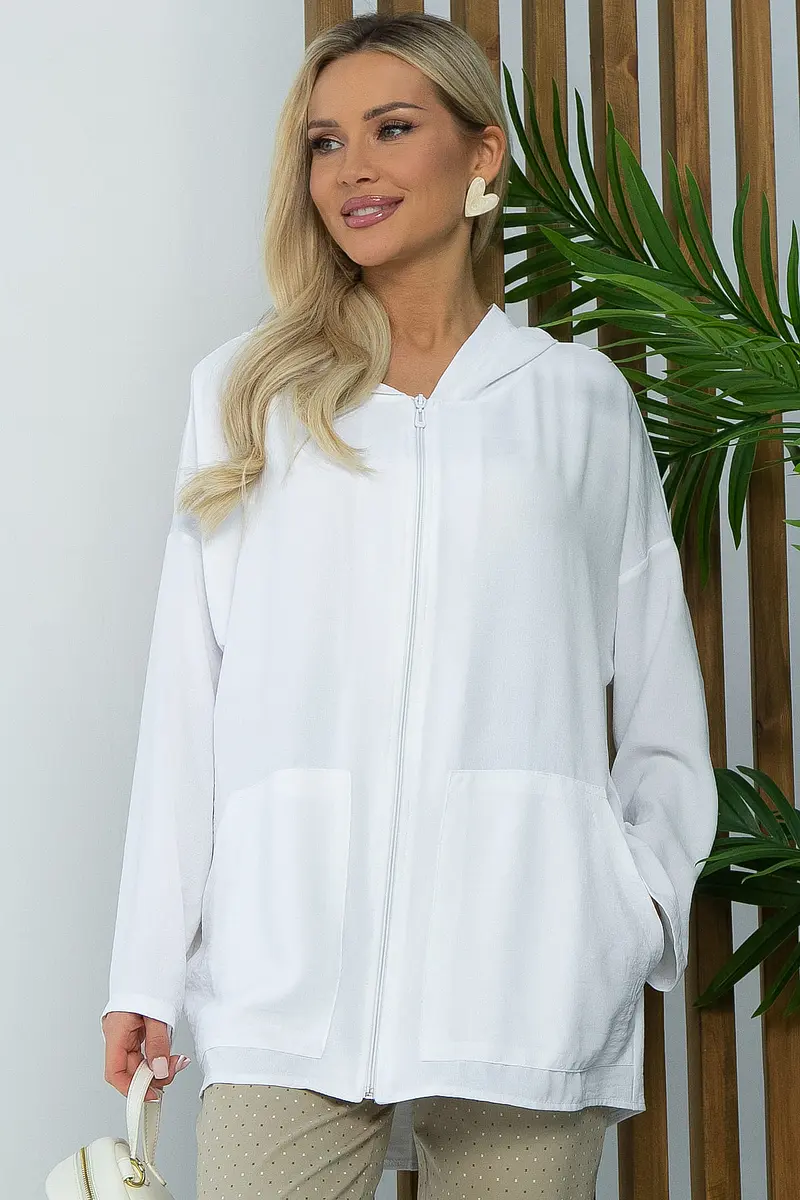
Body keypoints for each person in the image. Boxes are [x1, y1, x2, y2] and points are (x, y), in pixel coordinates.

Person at [100, 12, 719, 1199]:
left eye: (391, 129)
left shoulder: (577, 402)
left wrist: (626, 911)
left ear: (480, 154)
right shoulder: (245, 394)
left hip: (526, 968)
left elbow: (655, 696)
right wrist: (146, 967)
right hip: (285, 970)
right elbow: (188, 696)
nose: (353, 170)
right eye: (325, 142)